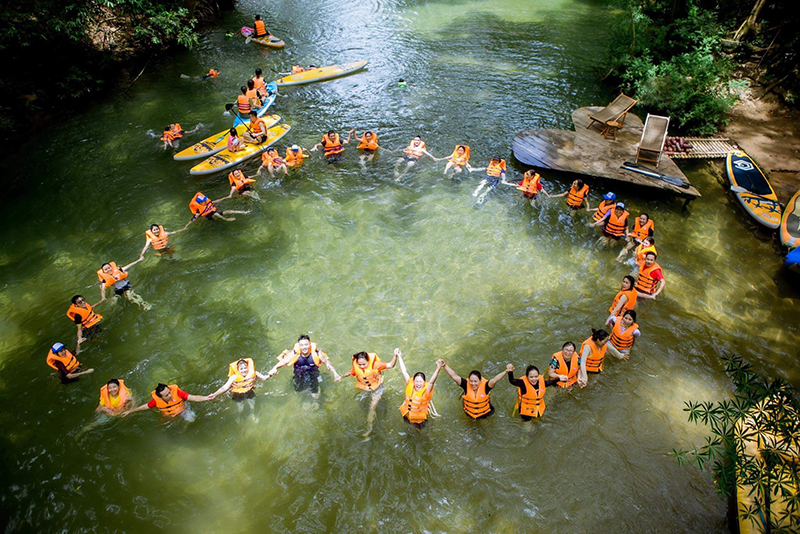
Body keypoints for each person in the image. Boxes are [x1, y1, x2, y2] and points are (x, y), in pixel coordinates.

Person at [342, 349, 399, 437]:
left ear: (368, 361)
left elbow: (390, 365)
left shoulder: (376, 365)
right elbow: (351, 372)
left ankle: (369, 428)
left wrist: (395, 355)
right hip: (364, 388)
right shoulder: (356, 365)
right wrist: (342, 376)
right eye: (359, 364)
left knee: (372, 408)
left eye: (364, 364)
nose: (361, 366)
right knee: (360, 403)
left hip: (377, 388)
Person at [267, 335, 341, 398]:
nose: (304, 347)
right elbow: (284, 361)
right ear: (299, 346)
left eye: (306, 344)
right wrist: (274, 368)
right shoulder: (295, 353)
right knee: (299, 391)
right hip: (299, 374)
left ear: (309, 344)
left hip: (313, 374)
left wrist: (335, 374)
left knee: (315, 395)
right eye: (301, 345)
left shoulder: (317, 353)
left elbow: (327, 364)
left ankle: (315, 402)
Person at [441, 363, 510, 420]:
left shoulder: (486, 386)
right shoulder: (465, 384)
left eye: (475, 381)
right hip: (469, 413)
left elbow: (495, 379)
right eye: (471, 381)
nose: (473, 384)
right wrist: (445, 365)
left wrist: (506, 371)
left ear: (480, 381)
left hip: (486, 413)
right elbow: (454, 376)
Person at [123, 383, 212, 422]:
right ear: (160, 397)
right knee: (163, 422)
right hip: (167, 414)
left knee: (191, 419)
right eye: (166, 395)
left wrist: (207, 398)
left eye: (169, 392)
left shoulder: (178, 393)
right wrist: (130, 411)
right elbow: (144, 407)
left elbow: (194, 398)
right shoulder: (156, 401)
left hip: (182, 410)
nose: (170, 395)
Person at [397, 355, 444, 429]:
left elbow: (432, 381)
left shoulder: (426, 391)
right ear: (413, 381)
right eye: (416, 381)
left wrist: (438, 368)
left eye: (420, 381)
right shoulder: (410, 383)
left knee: (419, 432)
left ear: (424, 382)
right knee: (407, 428)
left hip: (419, 420)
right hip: (406, 414)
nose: (418, 384)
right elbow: (404, 371)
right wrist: (399, 356)